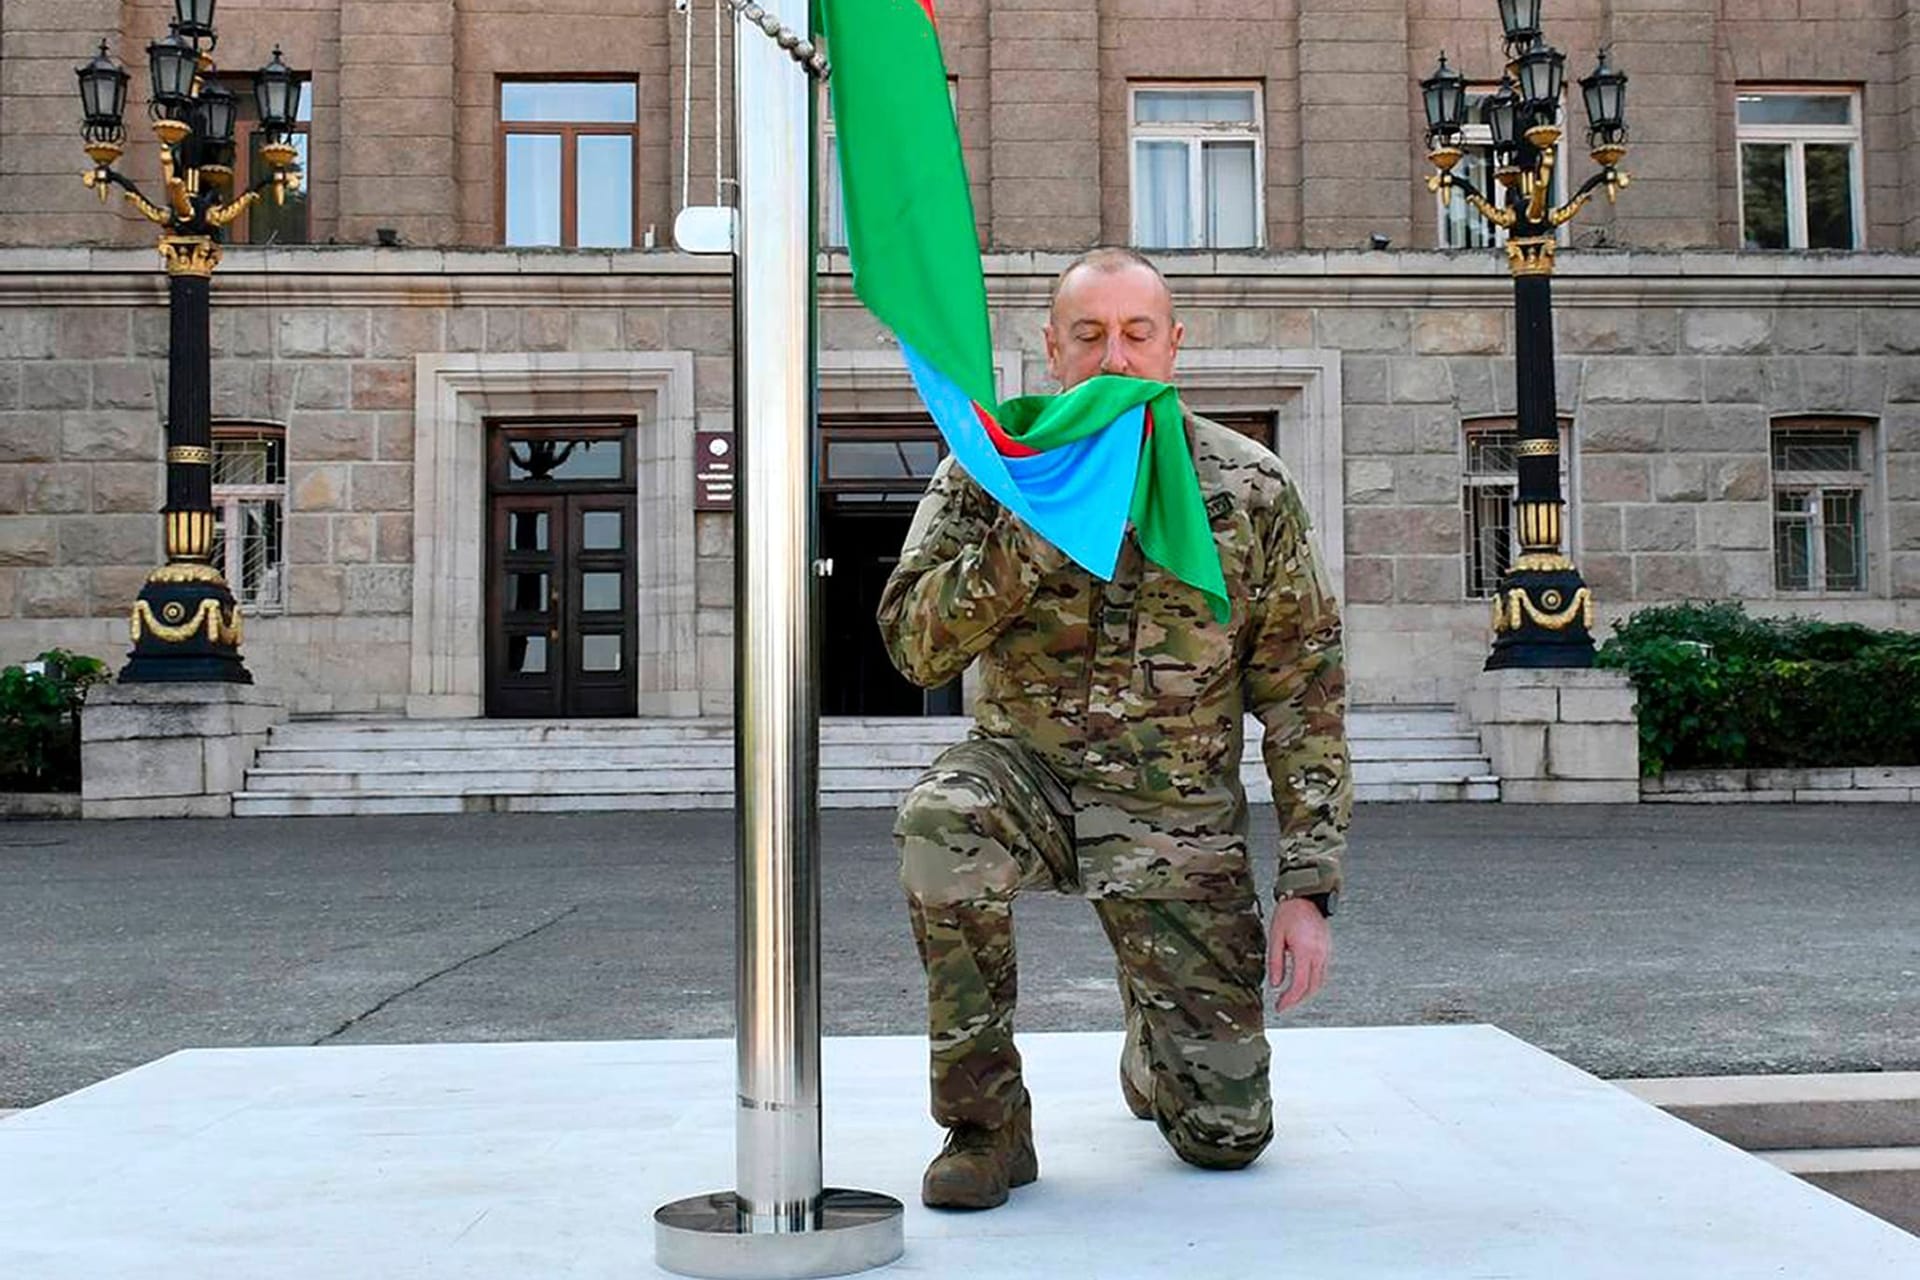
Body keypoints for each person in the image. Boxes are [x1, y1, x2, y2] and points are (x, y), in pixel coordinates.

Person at [877, 246, 1350, 1211]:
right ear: (1052, 351)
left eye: (1138, 334)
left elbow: (1304, 693)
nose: (1115, 358)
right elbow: (915, 648)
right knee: (940, 819)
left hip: (1176, 821)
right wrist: (1035, 529)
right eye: (1089, 336)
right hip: (1026, 781)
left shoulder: (1247, 489)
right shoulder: (990, 470)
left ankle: (1157, 1041)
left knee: (1224, 1141)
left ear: (1174, 347)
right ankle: (986, 1127)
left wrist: (1310, 886)